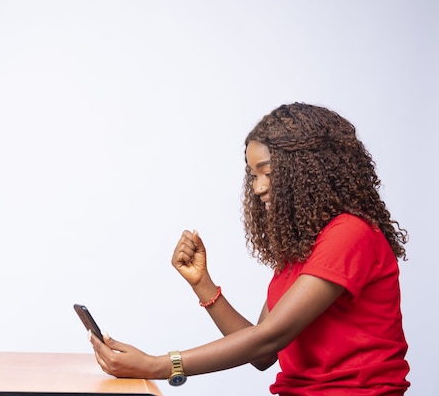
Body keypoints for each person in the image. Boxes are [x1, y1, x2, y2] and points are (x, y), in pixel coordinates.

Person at [88, 102, 410, 395]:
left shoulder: (350, 234)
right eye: (252, 175)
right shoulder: (304, 248)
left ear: (309, 170)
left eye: (267, 173)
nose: (258, 187)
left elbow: (269, 337)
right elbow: (264, 354)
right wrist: (203, 284)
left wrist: (159, 365)